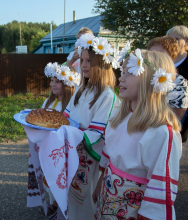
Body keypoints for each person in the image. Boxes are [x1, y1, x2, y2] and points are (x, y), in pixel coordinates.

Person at [93, 50, 182, 219]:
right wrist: (99, 185)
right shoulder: (119, 118)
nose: (121, 78)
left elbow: (161, 186)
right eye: (122, 72)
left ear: (151, 80)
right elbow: (110, 158)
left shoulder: (161, 132)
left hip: (132, 209)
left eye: (129, 73)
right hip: (107, 198)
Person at [63, 34, 120, 219]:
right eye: (82, 60)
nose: (84, 65)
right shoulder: (81, 90)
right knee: (72, 201)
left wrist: (70, 134)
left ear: (102, 64)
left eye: (90, 61)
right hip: (73, 155)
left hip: (89, 160)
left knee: (86, 203)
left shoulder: (107, 96)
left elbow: (97, 133)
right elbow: (64, 118)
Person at [27, 62, 77, 218]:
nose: (52, 84)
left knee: (57, 179)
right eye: (52, 81)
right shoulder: (49, 102)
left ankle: (59, 206)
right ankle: (53, 203)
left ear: (68, 84)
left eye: (57, 81)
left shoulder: (70, 106)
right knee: (47, 179)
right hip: (44, 148)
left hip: (59, 151)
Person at [148, 36, 188, 121]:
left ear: (171, 56)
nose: (154, 56)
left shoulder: (178, 81)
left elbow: (176, 116)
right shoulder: (140, 76)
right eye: (151, 52)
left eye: (160, 53)